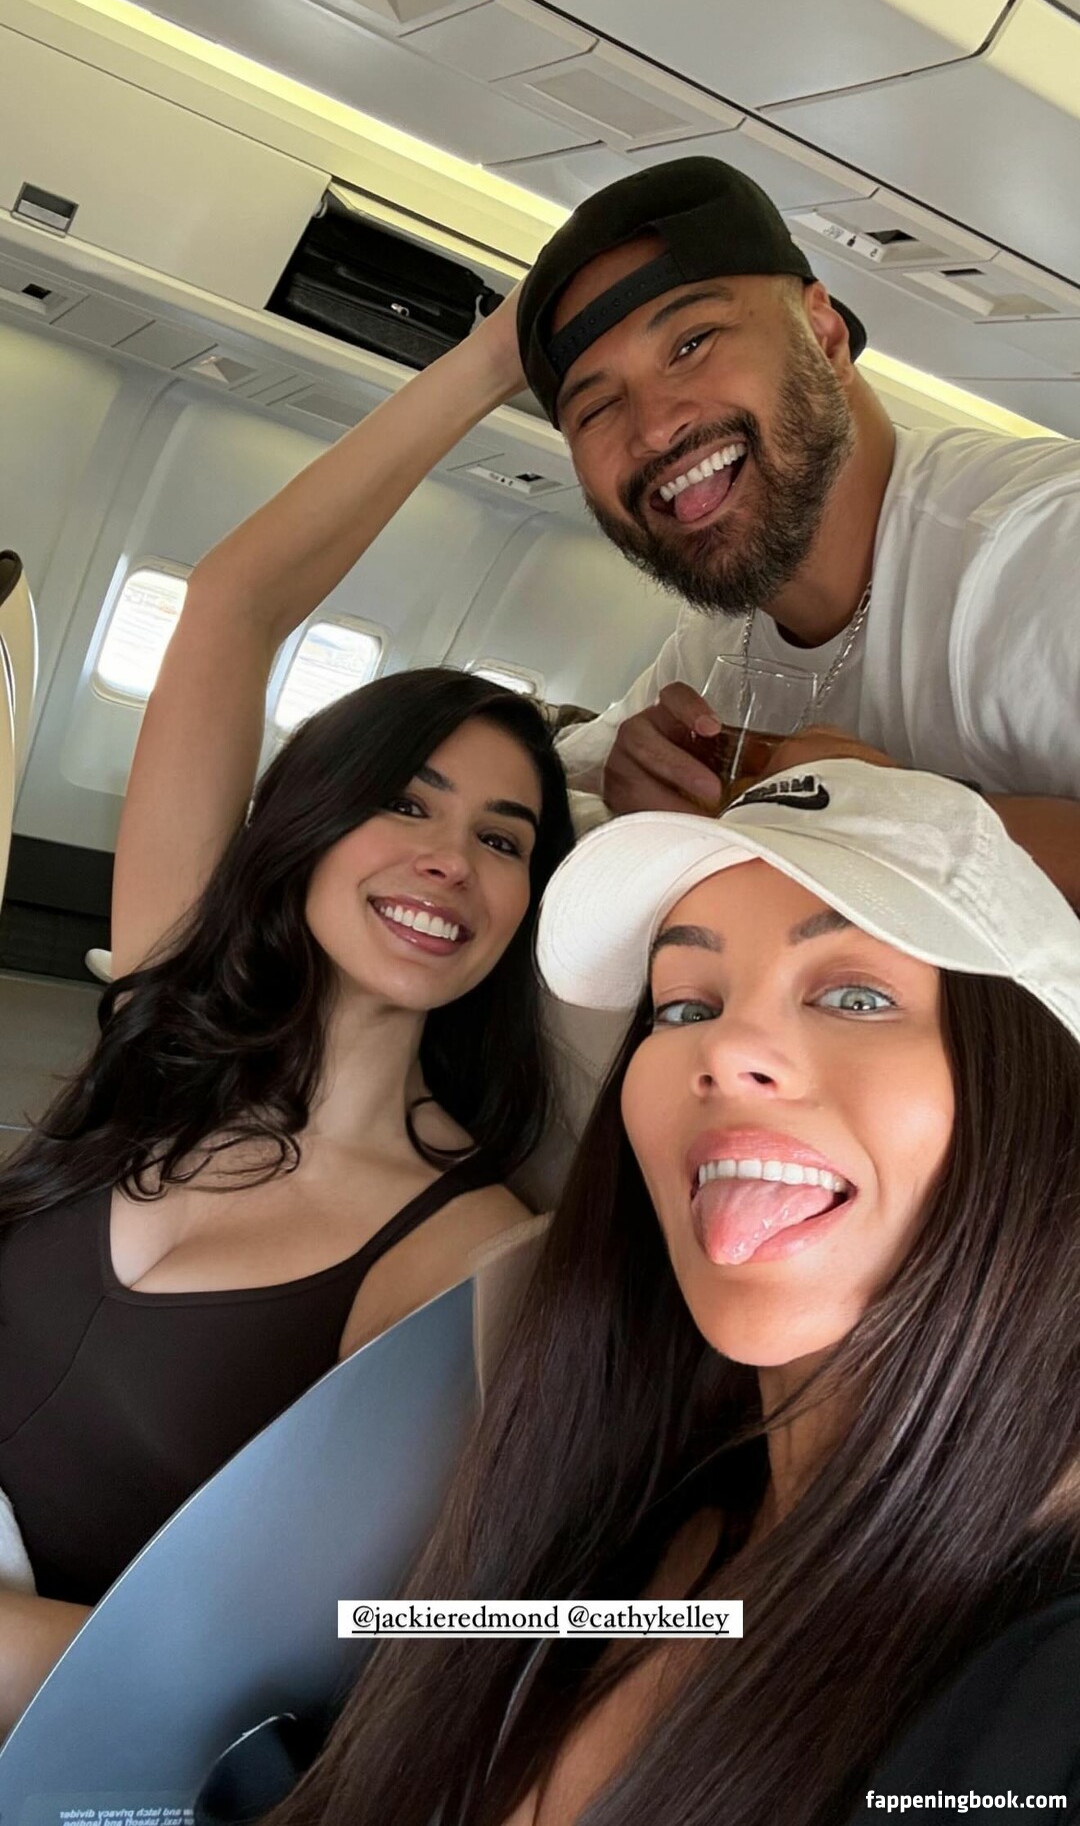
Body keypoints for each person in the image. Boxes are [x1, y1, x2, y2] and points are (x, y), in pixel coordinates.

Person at [238, 760, 1080, 1825]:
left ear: (1036, 1095)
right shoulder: (645, 1519)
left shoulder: (1043, 1684)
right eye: (685, 1005)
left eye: (857, 996)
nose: (722, 1050)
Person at [0, 304, 575, 1727]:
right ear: (310, 826)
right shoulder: (169, 1016)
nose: (451, 860)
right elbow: (232, 603)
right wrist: (499, 355)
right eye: (407, 805)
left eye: (504, 839)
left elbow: (305, 1677)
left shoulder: (464, 1253)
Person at [513, 157, 1080, 906]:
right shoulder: (712, 651)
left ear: (825, 336)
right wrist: (635, 770)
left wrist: (896, 820)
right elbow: (548, 777)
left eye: (691, 344)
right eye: (596, 408)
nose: (653, 429)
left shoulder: (1042, 549)